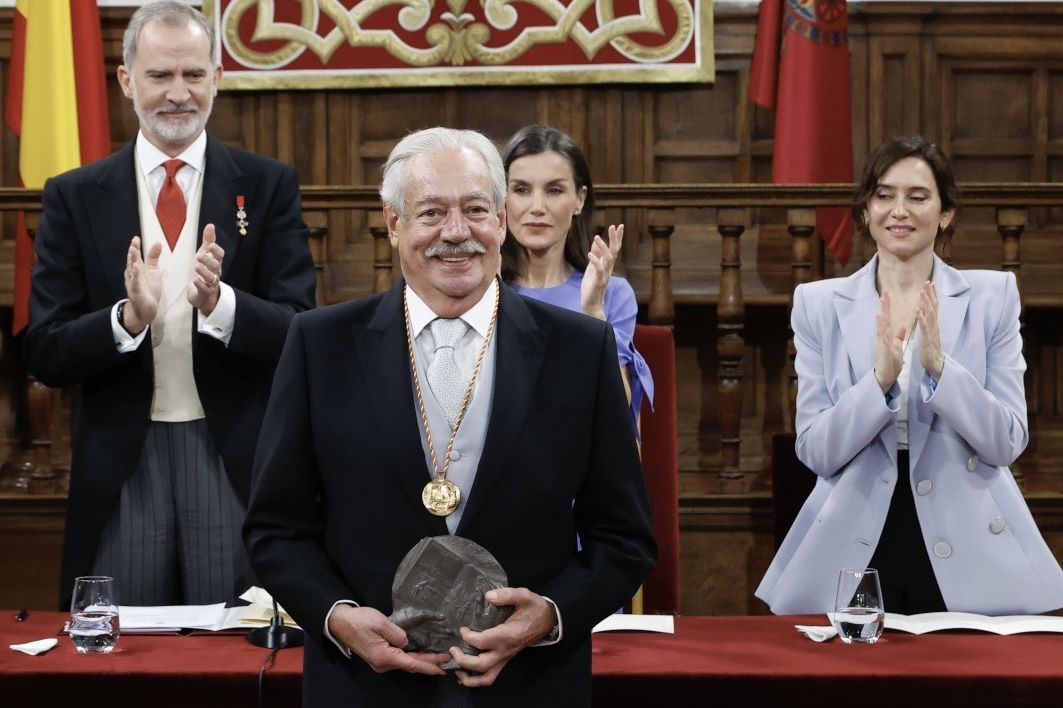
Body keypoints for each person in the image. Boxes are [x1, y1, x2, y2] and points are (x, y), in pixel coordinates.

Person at [243, 127, 656, 706]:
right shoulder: (319, 345)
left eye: (475, 210)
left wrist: (551, 615)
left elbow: (625, 538)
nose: (456, 233)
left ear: (503, 218)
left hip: (529, 687)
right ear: (393, 225)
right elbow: (274, 530)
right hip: (364, 690)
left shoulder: (580, 349)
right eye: (431, 213)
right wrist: (337, 619)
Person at [24, 1, 316, 608]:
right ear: (127, 81)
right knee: (122, 655)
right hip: (122, 460)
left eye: (193, 74)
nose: (178, 93)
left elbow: (298, 329)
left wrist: (223, 303)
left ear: (217, 77)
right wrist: (125, 320)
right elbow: (45, 350)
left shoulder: (265, 186)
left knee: (235, 654)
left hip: (229, 451)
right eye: (160, 76)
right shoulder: (75, 196)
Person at [756, 136, 1063, 616]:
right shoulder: (817, 304)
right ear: (865, 211)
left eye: (918, 197)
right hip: (856, 533)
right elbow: (815, 451)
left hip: (967, 533)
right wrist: (879, 381)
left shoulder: (993, 297)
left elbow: (1006, 441)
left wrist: (941, 368)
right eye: (884, 195)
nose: (899, 210)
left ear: (945, 213)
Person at [502, 125, 653, 426]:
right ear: (501, 198)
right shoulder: (484, 290)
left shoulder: (611, 293)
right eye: (521, 190)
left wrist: (594, 312)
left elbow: (619, 416)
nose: (537, 207)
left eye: (554, 190)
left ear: (580, 199)